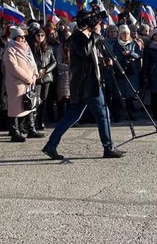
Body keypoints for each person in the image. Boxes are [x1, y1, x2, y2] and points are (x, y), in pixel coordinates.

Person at [42, 10, 124, 160]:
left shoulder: (86, 36)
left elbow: (91, 56)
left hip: (86, 82)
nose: (97, 24)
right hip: (87, 84)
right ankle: (108, 147)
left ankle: (51, 145)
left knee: (73, 115)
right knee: (103, 114)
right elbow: (84, 51)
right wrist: (96, 34)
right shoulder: (78, 37)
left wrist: (104, 60)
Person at [2, 26, 43, 142]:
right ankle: (15, 132)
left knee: (30, 105)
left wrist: (34, 75)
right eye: (21, 37)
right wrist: (27, 78)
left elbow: (33, 63)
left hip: (29, 82)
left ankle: (31, 129)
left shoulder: (27, 48)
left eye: (24, 37)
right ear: (15, 38)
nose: (23, 39)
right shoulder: (10, 50)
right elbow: (13, 67)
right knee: (14, 108)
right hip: (16, 84)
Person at [29, 27, 57, 130]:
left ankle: (40, 121)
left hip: (46, 77)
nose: (40, 37)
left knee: (44, 100)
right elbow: (29, 62)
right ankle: (32, 122)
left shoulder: (49, 48)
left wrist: (45, 70)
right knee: (35, 100)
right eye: (38, 35)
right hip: (36, 77)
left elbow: (54, 62)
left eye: (42, 35)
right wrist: (37, 70)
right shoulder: (31, 48)